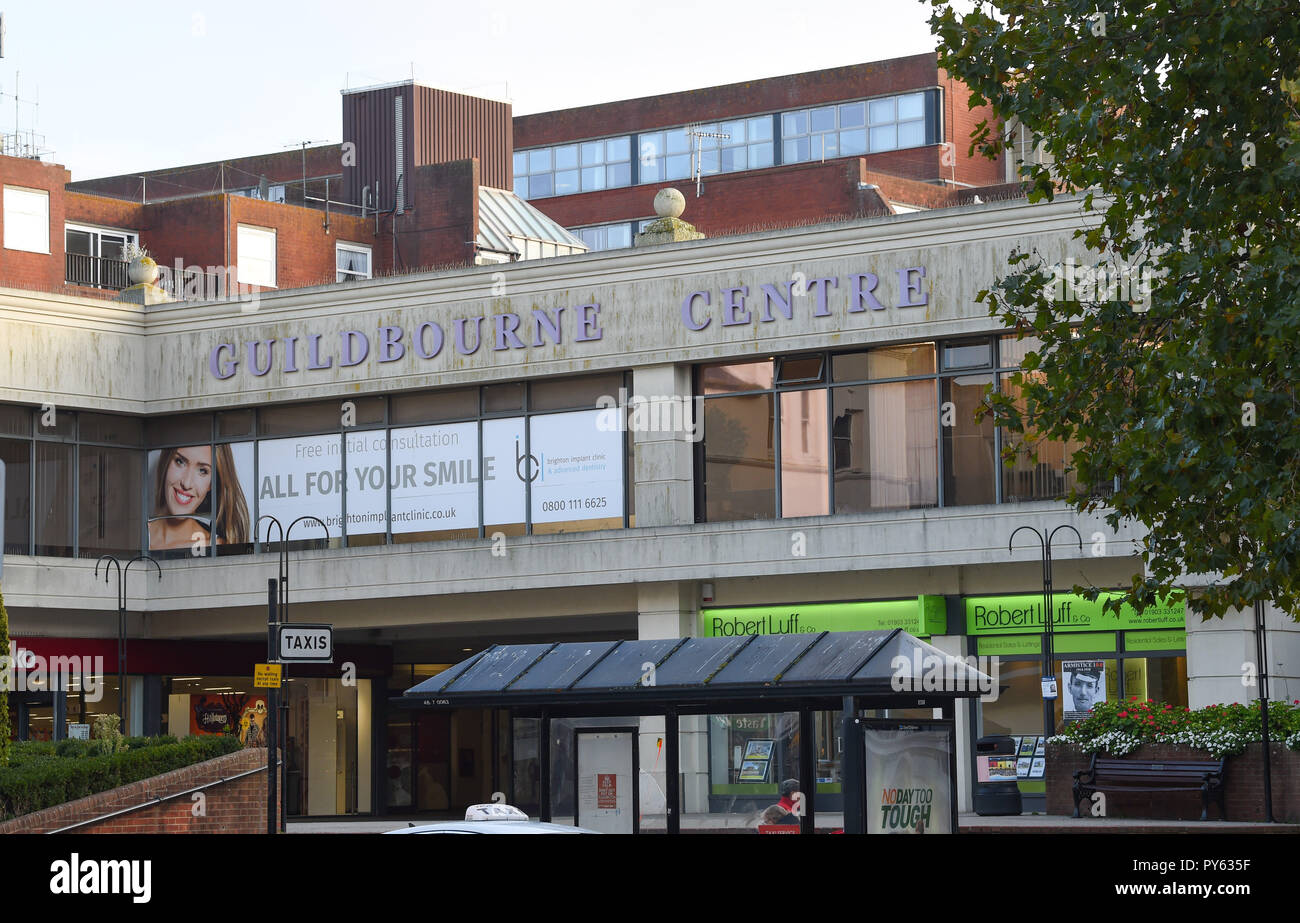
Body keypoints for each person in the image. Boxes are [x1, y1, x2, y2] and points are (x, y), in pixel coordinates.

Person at [148, 444, 249, 550]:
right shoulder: (135, 537)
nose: (186, 484)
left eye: (202, 471)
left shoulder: (215, 547)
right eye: (180, 461)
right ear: (166, 462)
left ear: (212, 483)